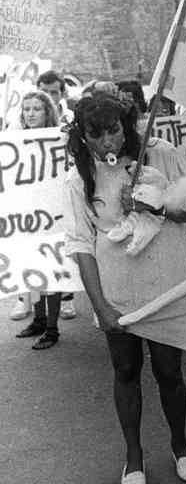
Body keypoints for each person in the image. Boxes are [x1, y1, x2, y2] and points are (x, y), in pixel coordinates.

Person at [64, 92, 186, 484]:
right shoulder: (79, 176)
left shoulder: (161, 154)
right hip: (117, 291)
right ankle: (134, 454)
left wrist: (153, 205)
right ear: (83, 136)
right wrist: (101, 306)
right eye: (97, 134)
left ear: (126, 125)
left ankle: (180, 444)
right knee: (126, 371)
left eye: (114, 130)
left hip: (163, 285)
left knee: (169, 371)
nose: (108, 142)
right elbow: (81, 245)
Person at [14, 91, 64, 349]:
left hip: (51, 216)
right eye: (26, 109)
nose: (30, 114)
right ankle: (39, 320)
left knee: (52, 274)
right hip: (26, 217)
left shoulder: (58, 140)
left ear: (47, 112)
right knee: (31, 270)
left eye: (36, 109)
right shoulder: (15, 142)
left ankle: (53, 329)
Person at [37, 70, 77, 321]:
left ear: (62, 93)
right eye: (44, 91)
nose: (49, 96)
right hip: (36, 195)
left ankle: (67, 297)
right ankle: (30, 301)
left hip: (61, 193)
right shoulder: (22, 117)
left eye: (53, 92)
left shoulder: (69, 118)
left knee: (64, 245)